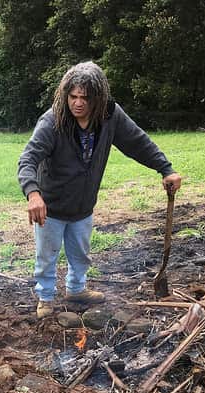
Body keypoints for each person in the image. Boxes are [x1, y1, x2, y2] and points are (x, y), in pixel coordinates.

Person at [18, 61, 182, 319]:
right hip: (51, 207)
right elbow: (28, 159)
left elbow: (138, 142)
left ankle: (76, 290)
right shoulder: (52, 121)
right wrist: (33, 193)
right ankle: (46, 297)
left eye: (85, 98)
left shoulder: (110, 116)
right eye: (73, 96)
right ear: (65, 96)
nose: (78, 103)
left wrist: (166, 168)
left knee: (81, 254)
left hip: (84, 205)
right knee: (47, 256)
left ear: (99, 98)